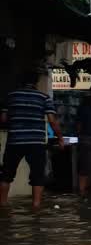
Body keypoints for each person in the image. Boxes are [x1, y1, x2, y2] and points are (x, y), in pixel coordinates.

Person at [0, 71, 64, 208]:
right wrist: (60, 139)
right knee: (37, 176)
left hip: (15, 141)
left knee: (6, 174)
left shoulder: (11, 96)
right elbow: (52, 121)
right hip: (36, 142)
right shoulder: (44, 97)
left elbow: (3, 119)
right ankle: (36, 207)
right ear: (36, 82)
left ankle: (3, 204)